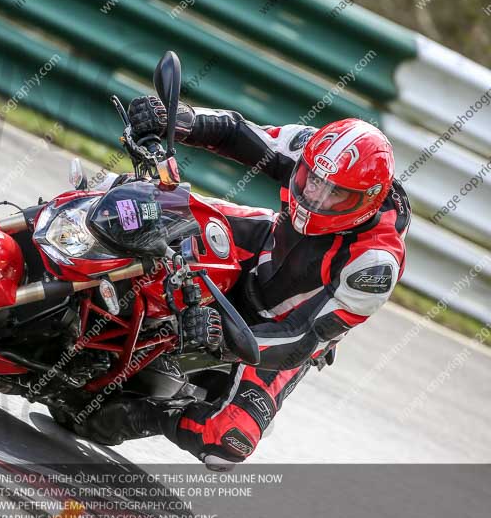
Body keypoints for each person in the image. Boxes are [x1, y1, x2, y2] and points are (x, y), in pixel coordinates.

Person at [77, 96, 411, 468]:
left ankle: (146, 415)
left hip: (276, 336)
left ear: (368, 201)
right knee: (138, 206)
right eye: (312, 180)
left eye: (336, 194)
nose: (316, 195)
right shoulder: (311, 149)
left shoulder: (375, 265)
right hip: (262, 245)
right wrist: (178, 118)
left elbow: (301, 337)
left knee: (228, 441)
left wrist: (225, 338)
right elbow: (236, 132)